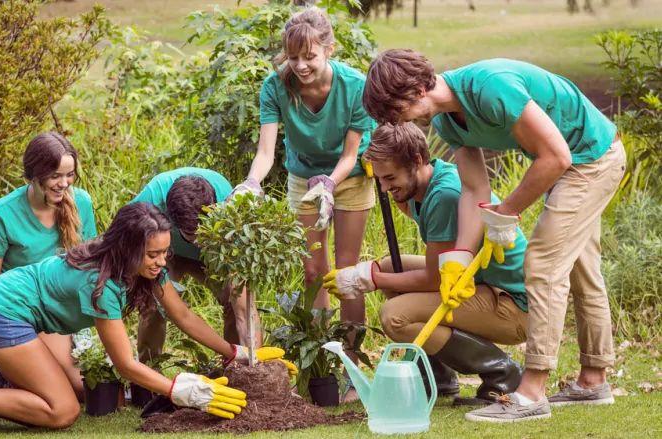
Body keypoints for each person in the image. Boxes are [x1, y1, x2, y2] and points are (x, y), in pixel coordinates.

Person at [362, 50, 625, 422]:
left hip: (593, 158)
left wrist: (507, 212)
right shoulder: (449, 122)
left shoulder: (490, 87)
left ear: (417, 89)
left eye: (395, 110)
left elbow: (555, 156)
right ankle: (593, 380)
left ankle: (531, 392)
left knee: (543, 263)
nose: (396, 121)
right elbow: (474, 189)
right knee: (583, 272)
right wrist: (461, 256)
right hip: (571, 162)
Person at [0, 202, 290, 438]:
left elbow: (182, 314)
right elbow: (126, 364)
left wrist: (234, 352)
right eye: (153, 254)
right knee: (63, 411)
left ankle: (4, 370)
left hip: (34, 318)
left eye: (165, 253)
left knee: (80, 388)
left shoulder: (142, 267)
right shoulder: (102, 284)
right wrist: (181, 389)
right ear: (128, 247)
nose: (162, 263)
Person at [324, 122, 527, 405]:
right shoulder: (424, 181)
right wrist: (389, 178)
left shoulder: (444, 195)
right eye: (380, 179)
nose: (383, 186)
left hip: (513, 304)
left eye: (390, 177)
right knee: (390, 267)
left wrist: (368, 279)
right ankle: (439, 379)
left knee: (394, 315)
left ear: (417, 161)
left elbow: (434, 279)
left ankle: (503, 372)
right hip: (479, 282)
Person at [232, 6, 376, 402]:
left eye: (309, 56)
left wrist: (330, 182)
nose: (300, 66)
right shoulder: (275, 86)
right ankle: (319, 362)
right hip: (302, 180)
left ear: (329, 48)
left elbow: (351, 154)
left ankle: (352, 365)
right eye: (293, 57)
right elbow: (266, 153)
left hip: (349, 179)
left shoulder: (354, 85)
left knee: (347, 273)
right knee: (313, 269)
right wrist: (250, 183)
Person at [0, 131, 97, 394]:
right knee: (71, 388)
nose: (63, 183)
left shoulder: (82, 203)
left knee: (90, 387)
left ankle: (17, 374)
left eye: (69, 175)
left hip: (63, 311)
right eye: (55, 176)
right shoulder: (2, 212)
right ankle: (1, 367)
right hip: (23, 309)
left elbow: (89, 269)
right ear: (34, 174)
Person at [128, 167, 262, 373]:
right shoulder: (153, 196)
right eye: (193, 234)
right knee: (152, 304)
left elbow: (244, 305)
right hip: (167, 254)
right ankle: (148, 372)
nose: (199, 240)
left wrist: (257, 360)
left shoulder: (229, 201)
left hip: (215, 253)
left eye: (204, 230)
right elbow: (122, 238)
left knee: (235, 298)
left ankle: (239, 369)